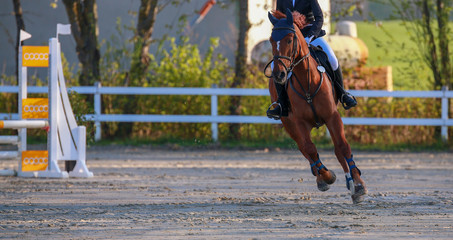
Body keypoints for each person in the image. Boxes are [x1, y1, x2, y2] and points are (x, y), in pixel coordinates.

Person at [267, 0, 357, 120]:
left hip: (310, 34)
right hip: (291, 38)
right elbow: (279, 18)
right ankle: (282, 104)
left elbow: (319, 17)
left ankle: (342, 94)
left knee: (332, 58)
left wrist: (311, 35)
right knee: (274, 66)